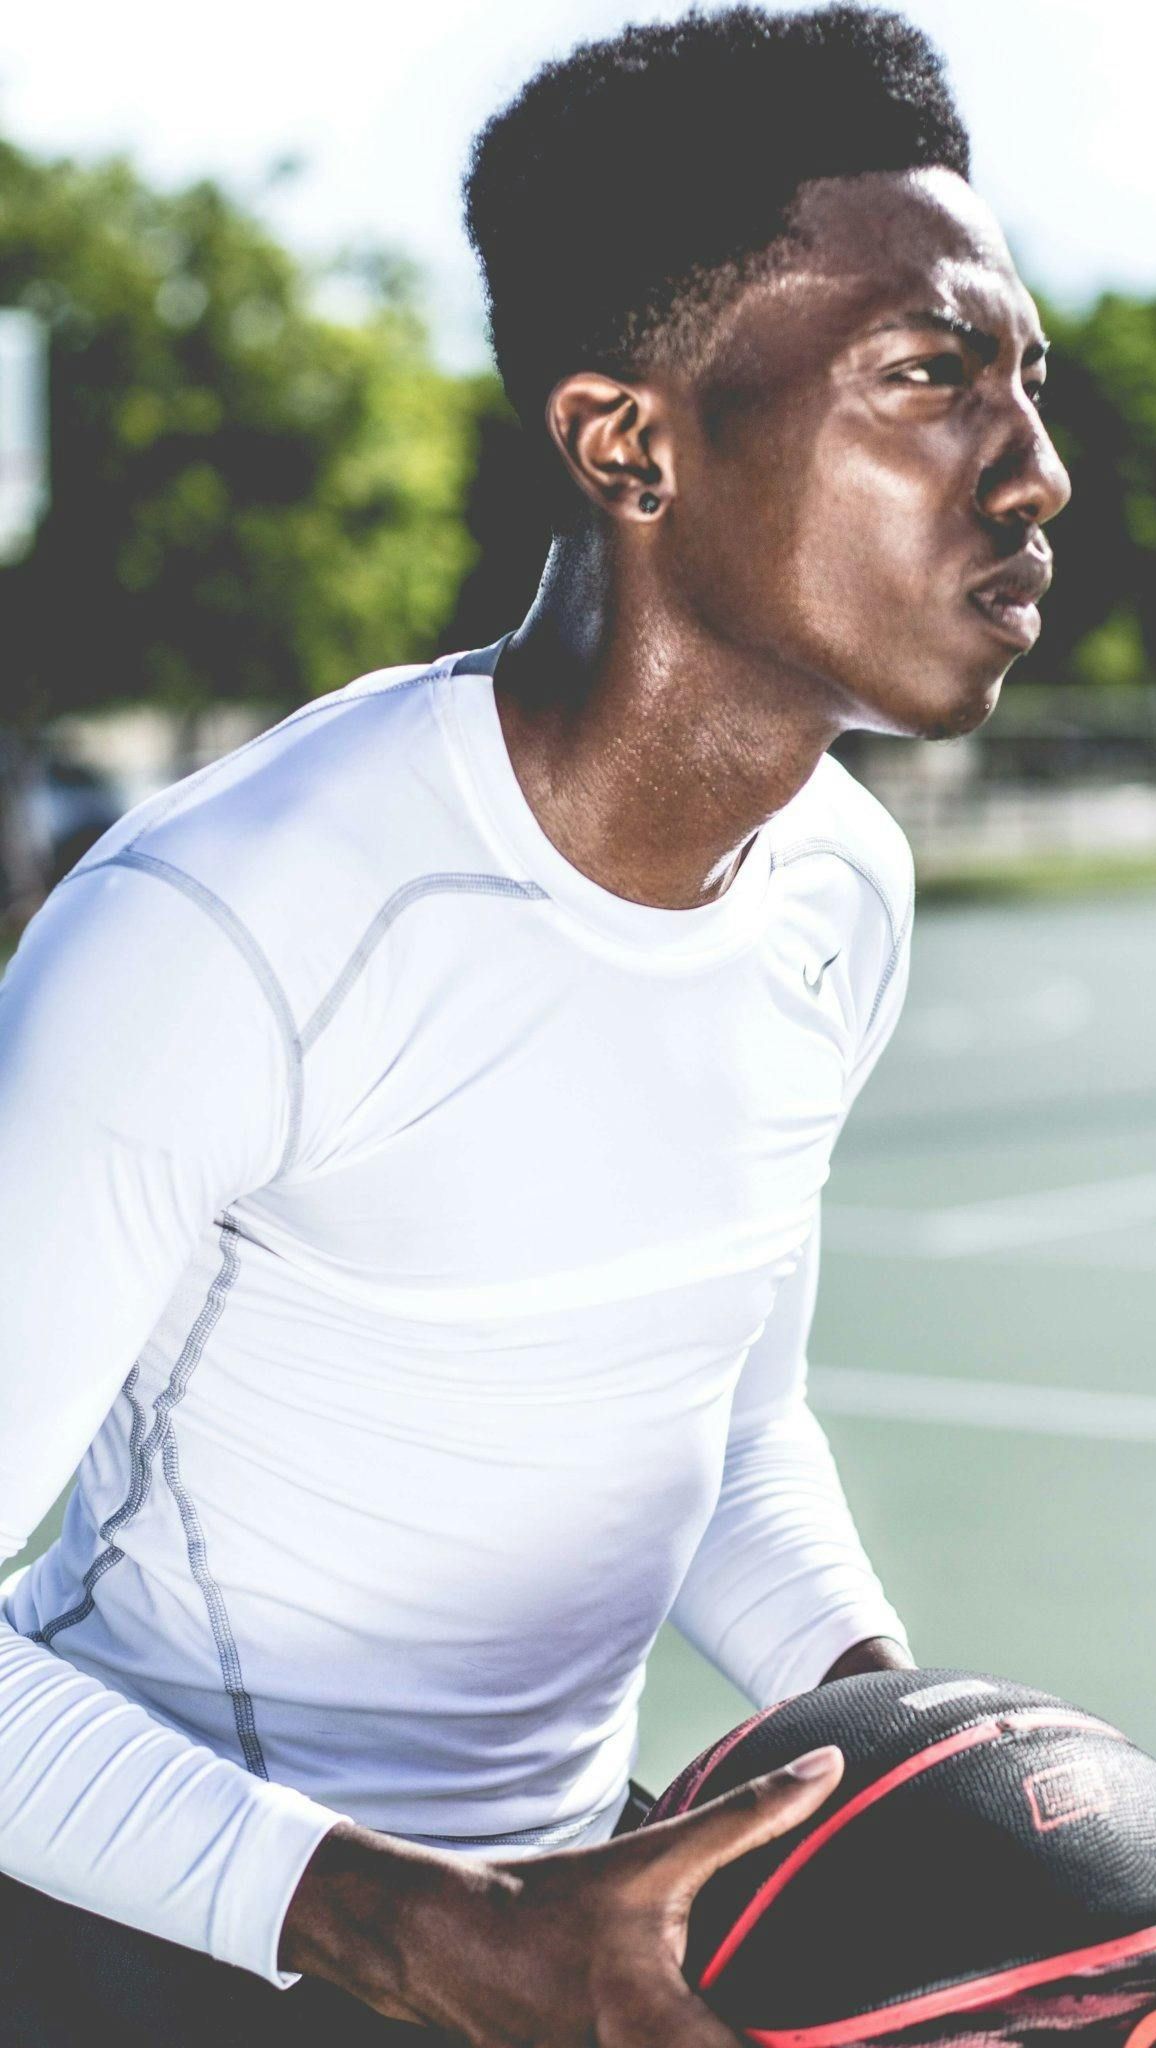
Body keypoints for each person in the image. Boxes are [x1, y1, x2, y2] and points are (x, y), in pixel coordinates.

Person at [0, 7, 1069, 2042]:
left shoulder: (839, 889)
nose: (1033, 468)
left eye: (1029, 379)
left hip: (565, 1934)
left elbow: (721, 1428)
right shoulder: (228, 927)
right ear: (625, 442)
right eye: (929, 374)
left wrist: (910, 1752)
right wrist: (415, 1927)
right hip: (164, 1950)